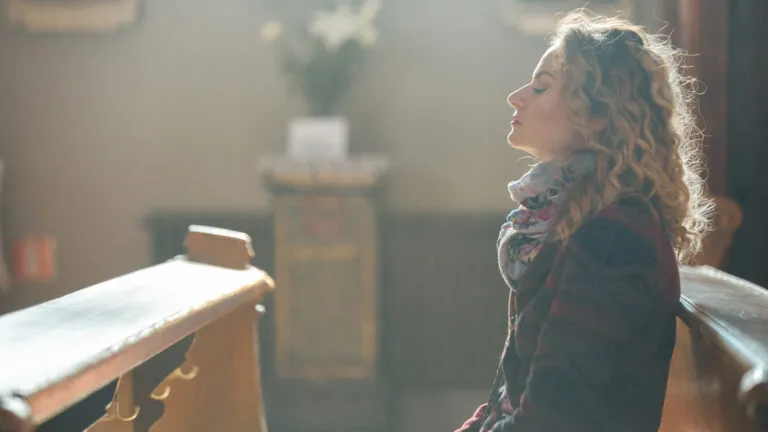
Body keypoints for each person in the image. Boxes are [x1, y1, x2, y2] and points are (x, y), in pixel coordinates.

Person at [456, 10, 712, 432]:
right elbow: (512, 394)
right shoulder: (574, 221)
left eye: (540, 88)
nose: (516, 97)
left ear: (597, 114)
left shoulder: (614, 239)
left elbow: (552, 417)